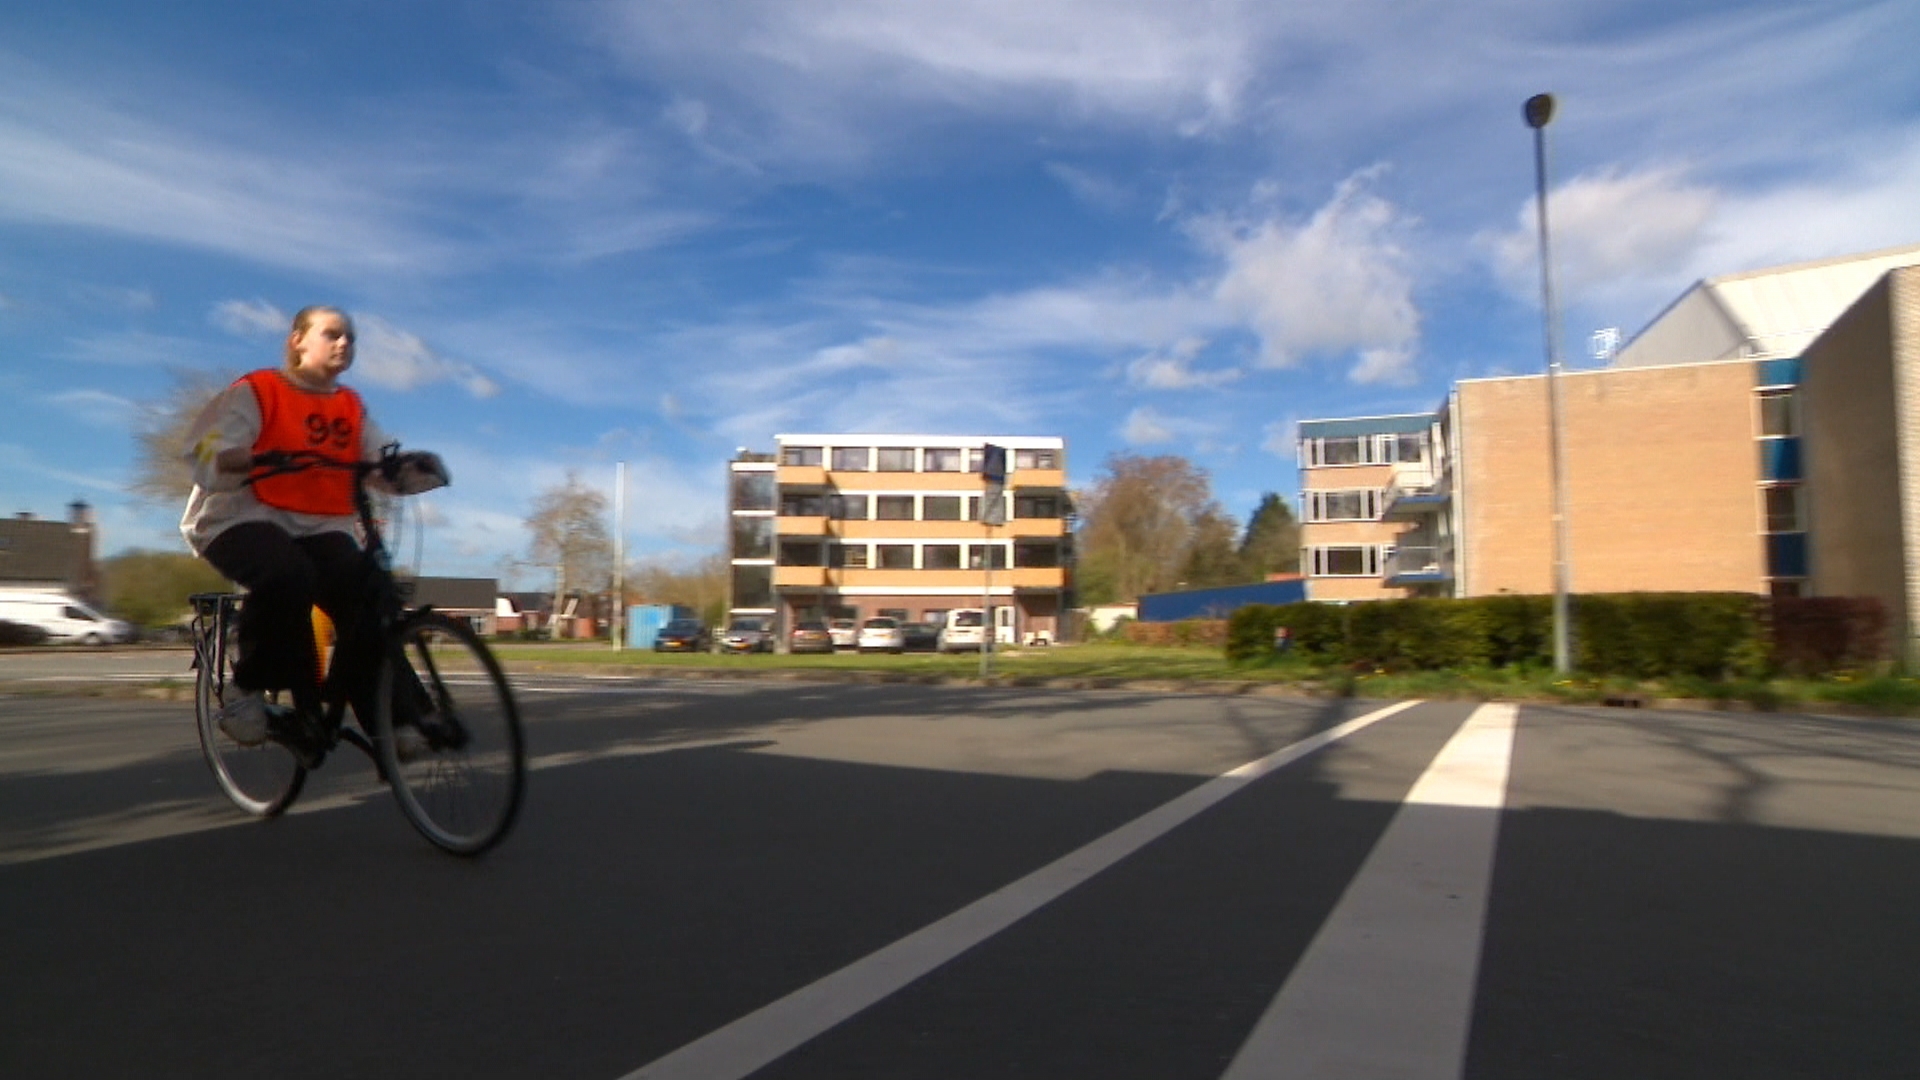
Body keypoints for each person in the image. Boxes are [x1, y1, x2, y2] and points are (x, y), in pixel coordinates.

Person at [180, 306, 447, 751]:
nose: (345, 344)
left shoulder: (350, 407)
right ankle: (247, 689)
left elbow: (376, 461)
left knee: (367, 595)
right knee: (288, 574)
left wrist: (410, 469)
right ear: (297, 340)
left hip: (319, 527)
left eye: (351, 338)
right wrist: (229, 455)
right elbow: (205, 443)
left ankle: (397, 720)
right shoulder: (258, 390)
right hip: (242, 515)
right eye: (333, 334)